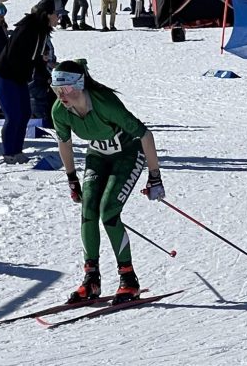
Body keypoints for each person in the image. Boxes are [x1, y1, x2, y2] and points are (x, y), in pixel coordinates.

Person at [50, 60, 165, 305]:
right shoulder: (60, 110)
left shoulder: (104, 103)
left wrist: (154, 176)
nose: (62, 95)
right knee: (88, 211)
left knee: (108, 211)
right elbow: (64, 142)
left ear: (79, 85)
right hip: (98, 156)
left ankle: (129, 280)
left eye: (67, 88)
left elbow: (145, 134)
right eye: (56, 89)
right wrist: (71, 178)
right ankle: (91, 278)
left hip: (127, 154)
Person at [0, 0, 59, 163]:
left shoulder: (40, 30)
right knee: (13, 115)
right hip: (6, 76)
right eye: (57, 14)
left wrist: (47, 77)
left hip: (19, 77)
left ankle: (17, 150)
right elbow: (17, 56)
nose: (59, 18)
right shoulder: (30, 28)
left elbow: (36, 59)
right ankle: (9, 153)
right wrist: (34, 67)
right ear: (47, 14)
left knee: (25, 113)